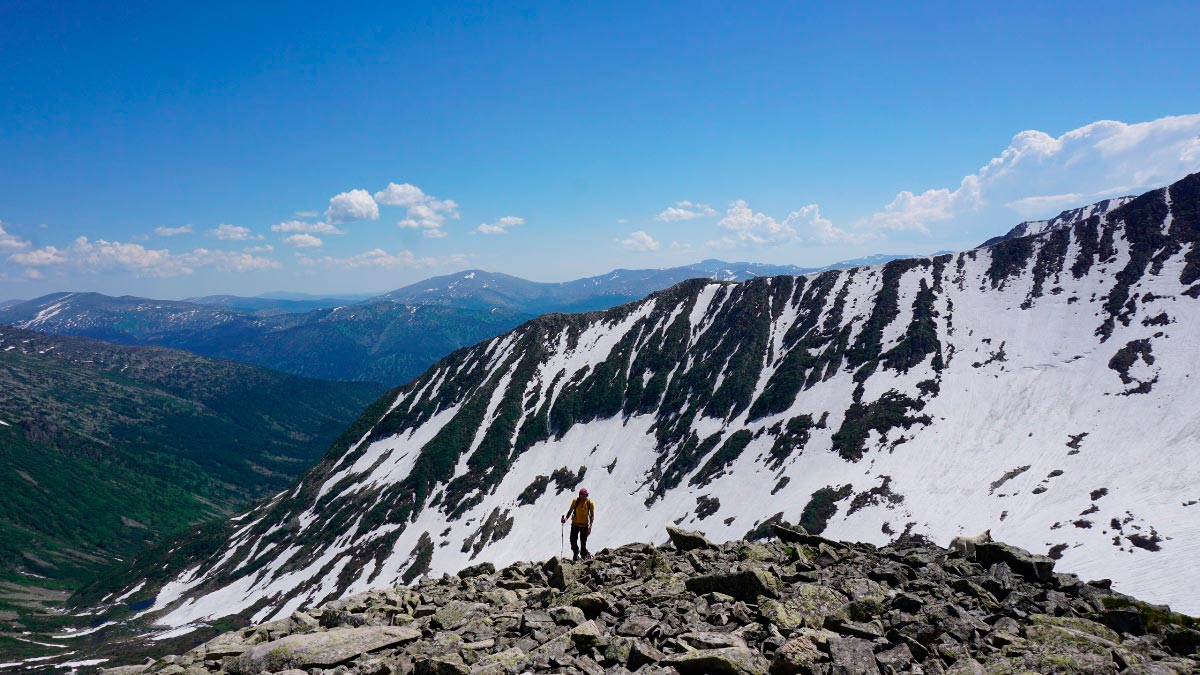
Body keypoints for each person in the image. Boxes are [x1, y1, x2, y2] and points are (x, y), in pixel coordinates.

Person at [561, 487, 595, 560]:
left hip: (584, 526)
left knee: (583, 543)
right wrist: (566, 519)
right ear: (579, 495)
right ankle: (576, 553)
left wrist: (590, 527)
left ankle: (584, 556)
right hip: (575, 524)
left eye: (584, 495)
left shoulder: (590, 503)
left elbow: (592, 515)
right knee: (572, 540)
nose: (583, 497)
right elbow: (570, 511)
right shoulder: (575, 501)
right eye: (582, 495)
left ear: (586, 495)